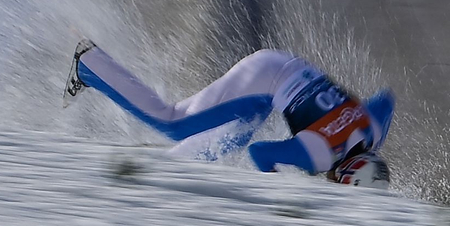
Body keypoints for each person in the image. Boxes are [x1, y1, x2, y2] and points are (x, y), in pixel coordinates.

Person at [63, 39, 394, 187]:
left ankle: (158, 173)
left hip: (280, 72)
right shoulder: (319, 155)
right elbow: (260, 154)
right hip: (263, 81)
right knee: (173, 122)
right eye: (341, 185)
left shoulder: (374, 129)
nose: (333, 184)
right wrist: (280, 191)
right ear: (348, 174)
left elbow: (386, 99)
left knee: (222, 143)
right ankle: (90, 65)